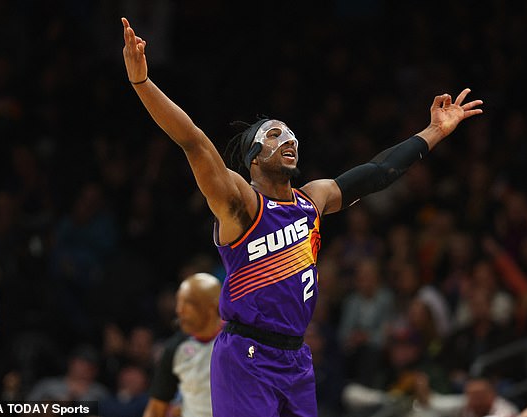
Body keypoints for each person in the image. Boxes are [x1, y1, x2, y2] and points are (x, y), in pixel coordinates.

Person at [121, 16, 483, 417]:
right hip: (246, 354)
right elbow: (192, 139)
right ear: (254, 157)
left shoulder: (314, 199)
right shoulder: (241, 202)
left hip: (295, 357)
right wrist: (142, 83)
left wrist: (434, 130)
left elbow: (379, 173)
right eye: (275, 134)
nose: (289, 138)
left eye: (291, 134)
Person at [143, 273, 222, 417]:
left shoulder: (238, 342)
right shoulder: (175, 348)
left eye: (189, 303)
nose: (179, 310)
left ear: (212, 307)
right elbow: (155, 409)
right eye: (179, 302)